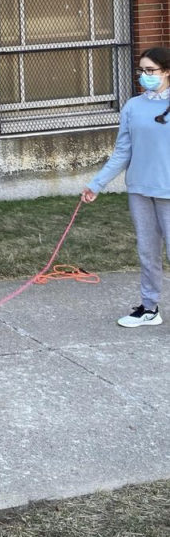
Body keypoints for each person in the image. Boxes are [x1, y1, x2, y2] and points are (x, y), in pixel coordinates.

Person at [82, 46, 170, 328]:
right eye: (141, 71)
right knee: (147, 252)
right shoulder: (133, 106)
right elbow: (122, 152)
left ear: (166, 71)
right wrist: (96, 184)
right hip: (140, 191)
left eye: (151, 71)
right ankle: (149, 308)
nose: (144, 76)